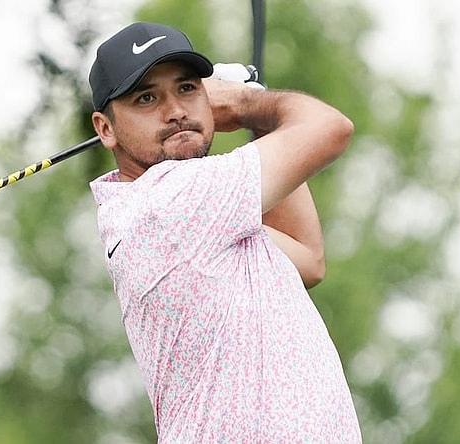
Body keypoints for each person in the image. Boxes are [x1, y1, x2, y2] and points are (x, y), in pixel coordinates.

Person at [88, 22, 362, 443]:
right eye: (146, 97)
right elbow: (330, 128)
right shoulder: (169, 201)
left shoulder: (204, 220)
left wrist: (259, 116)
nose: (176, 111)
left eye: (187, 89)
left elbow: (307, 260)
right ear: (105, 129)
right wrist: (246, 101)